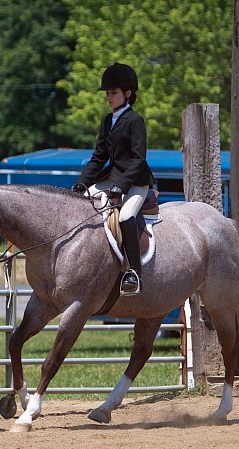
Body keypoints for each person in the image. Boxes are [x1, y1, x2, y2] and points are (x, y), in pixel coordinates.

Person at [72, 63, 154, 296]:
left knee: (127, 216)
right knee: (81, 204)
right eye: (107, 93)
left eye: (113, 93)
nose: (108, 97)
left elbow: (138, 159)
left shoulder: (135, 121)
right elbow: (98, 158)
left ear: (127, 93)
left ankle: (134, 273)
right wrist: (82, 183)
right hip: (112, 180)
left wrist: (121, 187)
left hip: (136, 182)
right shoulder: (107, 121)